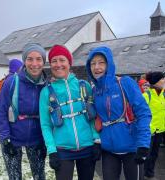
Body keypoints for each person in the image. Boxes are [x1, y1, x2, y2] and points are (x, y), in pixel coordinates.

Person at [85, 46, 151, 180]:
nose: (96, 67)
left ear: (109, 63)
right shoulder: (95, 91)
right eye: (92, 63)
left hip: (132, 148)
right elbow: (96, 119)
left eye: (101, 62)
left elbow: (144, 113)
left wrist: (143, 144)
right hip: (109, 150)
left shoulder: (125, 83)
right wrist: (97, 142)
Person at [39, 44, 101, 180]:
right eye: (54, 61)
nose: (58, 64)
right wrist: (52, 151)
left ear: (69, 63)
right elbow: (45, 125)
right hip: (62, 150)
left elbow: (93, 116)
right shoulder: (46, 92)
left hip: (87, 147)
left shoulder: (83, 86)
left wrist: (96, 140)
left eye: (62, 60)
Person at [0, 43, 47, 180]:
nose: (34, 63)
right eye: (30, 59)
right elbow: (1, 110)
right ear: (24, 61)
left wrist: (45, 140)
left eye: (38, 59)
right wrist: (5, 138)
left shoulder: (47, 85)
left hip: (37, 139)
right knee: (15, 177)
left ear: (43, 61)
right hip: (12, 138)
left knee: (39, 176)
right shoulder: (12, 81)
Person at [143, 71, 165, 179]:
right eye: (162, 79)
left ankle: (149, 174)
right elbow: (139, 114)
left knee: (154, 154)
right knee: (146, 155)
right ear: (155, 81)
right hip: (148, 131)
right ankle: (142, 174)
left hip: (160, 130)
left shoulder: (163, 94)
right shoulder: (147, 96)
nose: (164, 80)